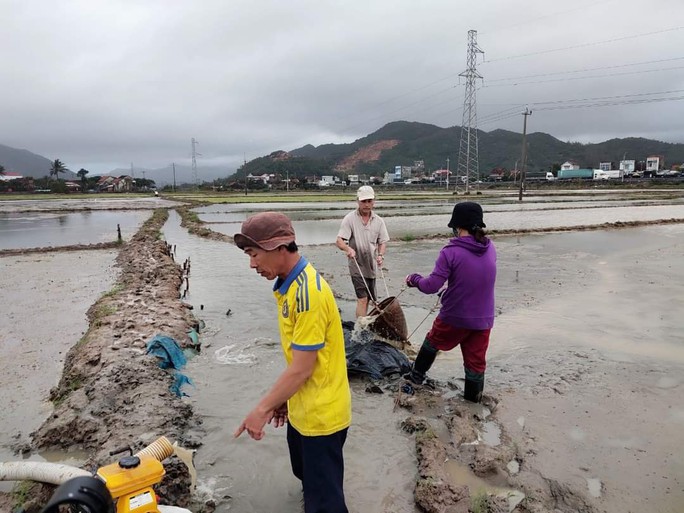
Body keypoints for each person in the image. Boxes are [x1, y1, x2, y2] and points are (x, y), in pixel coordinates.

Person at [233, 211, 351, 513]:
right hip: (303, 408)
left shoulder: (307, 293)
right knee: (307, 478)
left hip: (320, 417)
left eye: (254, 254)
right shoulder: (290, 285)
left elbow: (302, 368)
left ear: (280, 247)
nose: (252, 264)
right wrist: (284, 400)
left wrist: (261, 409)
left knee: (326, 503)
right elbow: (300, 363)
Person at [404, 202, 496, 403]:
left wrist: (414, 279)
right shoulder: (490, 249)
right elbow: (474, 280)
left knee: (432, 341)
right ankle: (473, 403)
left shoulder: (450, 252)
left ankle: (415, 378)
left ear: (458, 227)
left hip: (455, 315)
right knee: (475, 363)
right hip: (484, 319)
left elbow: (431, 286)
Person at [336, 185, 390, 318]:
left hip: (371, 266)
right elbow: (339, 240)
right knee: (362, 298)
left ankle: (364, 323)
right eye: (363, 201)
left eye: (369, 201)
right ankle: (360, 327)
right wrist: (348, 249)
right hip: (356, 265)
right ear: (358, 201)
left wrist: (381, 255)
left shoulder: (379, 221)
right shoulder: (350, 219)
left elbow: (382, 242)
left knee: (371, 299)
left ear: (374, 201)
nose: (366, 204)